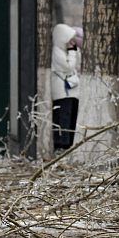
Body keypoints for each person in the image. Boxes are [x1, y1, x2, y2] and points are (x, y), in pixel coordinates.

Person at [51, 23, 80, 151]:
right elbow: (69, 66)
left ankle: (68, 140)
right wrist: (72, 52)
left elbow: (76, 63)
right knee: (63, 115)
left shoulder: (65, 51)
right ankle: (62, 142)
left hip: (70, 89)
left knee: (71, 115)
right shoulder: (57, 52)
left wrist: (74, 51)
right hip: (62, 91)